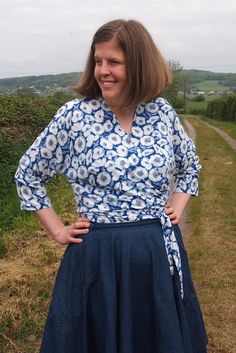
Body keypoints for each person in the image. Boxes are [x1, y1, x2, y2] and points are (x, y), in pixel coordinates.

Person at [15, 19, 208, 353]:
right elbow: (28, 175)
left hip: (155, 254)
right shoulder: (74, 116)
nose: (103, 70)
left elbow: (189, 166)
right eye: (98, 61)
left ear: (139, 65)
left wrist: (177, 205)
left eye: (113, 62)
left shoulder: (161, 113)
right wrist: (59, 231)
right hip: (97, 258)